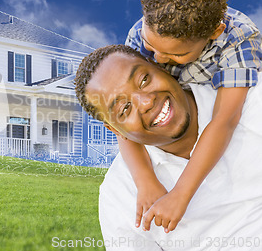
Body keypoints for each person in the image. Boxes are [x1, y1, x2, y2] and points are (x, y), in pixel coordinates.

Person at [121, 0, 262, 232]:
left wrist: (181, 194)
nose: (158, 59)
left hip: (225, 115)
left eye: (177, 54)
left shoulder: (239, 39)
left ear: (214, 32)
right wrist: (145, 179)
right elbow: (121, 116)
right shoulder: (141, 32)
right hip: (172, 115)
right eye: (152, 47)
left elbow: (225, 119)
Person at [74, 45, 262, 250]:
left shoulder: (251, 98)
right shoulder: (120, 195)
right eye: (125, 108)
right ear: (115, 130)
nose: (145, 102)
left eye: (144, 80)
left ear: (161, 67)